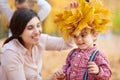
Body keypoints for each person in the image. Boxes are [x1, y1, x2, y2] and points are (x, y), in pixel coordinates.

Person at [0, 8, 75, 80]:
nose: (37, 32)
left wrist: (71, 18)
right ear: (19, 32)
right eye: (30, 28)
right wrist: (51, 78)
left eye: (38, 25)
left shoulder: (40, 40)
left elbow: (67, 44)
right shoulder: (11, 53)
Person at [53, 0, 112, 80]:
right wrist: (63, 74)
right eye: (75, 36)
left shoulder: (98, 55)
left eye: (83, 35)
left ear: (94, 35)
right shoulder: (72, 53)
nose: (79, 39)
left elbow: (107, 73)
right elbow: (67, 67)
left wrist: (98, 71)